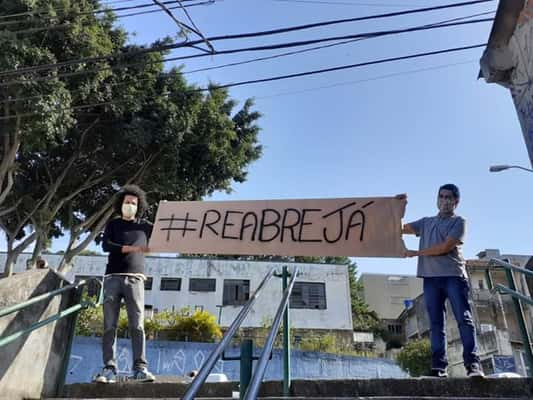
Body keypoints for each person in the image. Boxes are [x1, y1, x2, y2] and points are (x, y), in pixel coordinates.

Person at [400, 184, 483, 378]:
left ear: (456, 201)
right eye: (441, 196)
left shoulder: (459, 222)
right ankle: (439, 367)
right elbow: (399, 228)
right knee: (436, 324)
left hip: (453, 276)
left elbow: (444, 247)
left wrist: (416, 253)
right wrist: (400, 207)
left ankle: (473, 365)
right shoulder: (426, 222)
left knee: (464, 319)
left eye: (448, 197)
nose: (444, 201)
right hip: (430, 278)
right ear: (437, 199)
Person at [94, 185, 155, 383]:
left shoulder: (146, 226)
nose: (130, 205)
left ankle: (140, 368)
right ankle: (109, 368)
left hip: (135, 279)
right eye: (127, 202)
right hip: (112, 278)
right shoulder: (113, 224)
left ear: (139, 206)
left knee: (137, 325)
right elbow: (106, 245)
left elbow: (166, 234)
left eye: (134, 203)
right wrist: (128, 248)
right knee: (109, 325)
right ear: (121, 204)